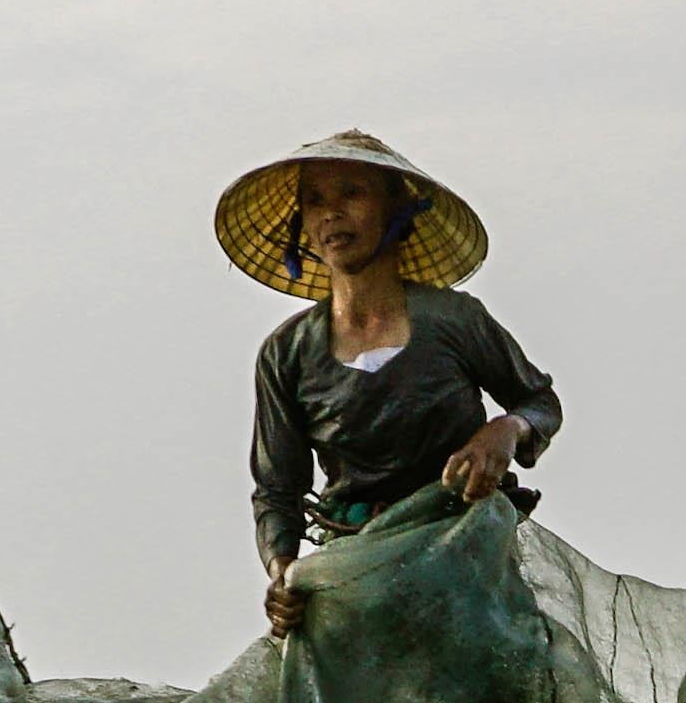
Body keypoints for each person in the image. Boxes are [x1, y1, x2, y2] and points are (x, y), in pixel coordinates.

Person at [223, 131, 560, 640]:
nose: (330, 213)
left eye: (351, 194)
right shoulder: (287, 352)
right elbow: (277, 490)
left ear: (396, 208)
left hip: (464, 565)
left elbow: (539, 402)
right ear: (303, 229)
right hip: (354, 573)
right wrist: (282, 572)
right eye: (314, 202)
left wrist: (505, 430)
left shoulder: (454, 319)